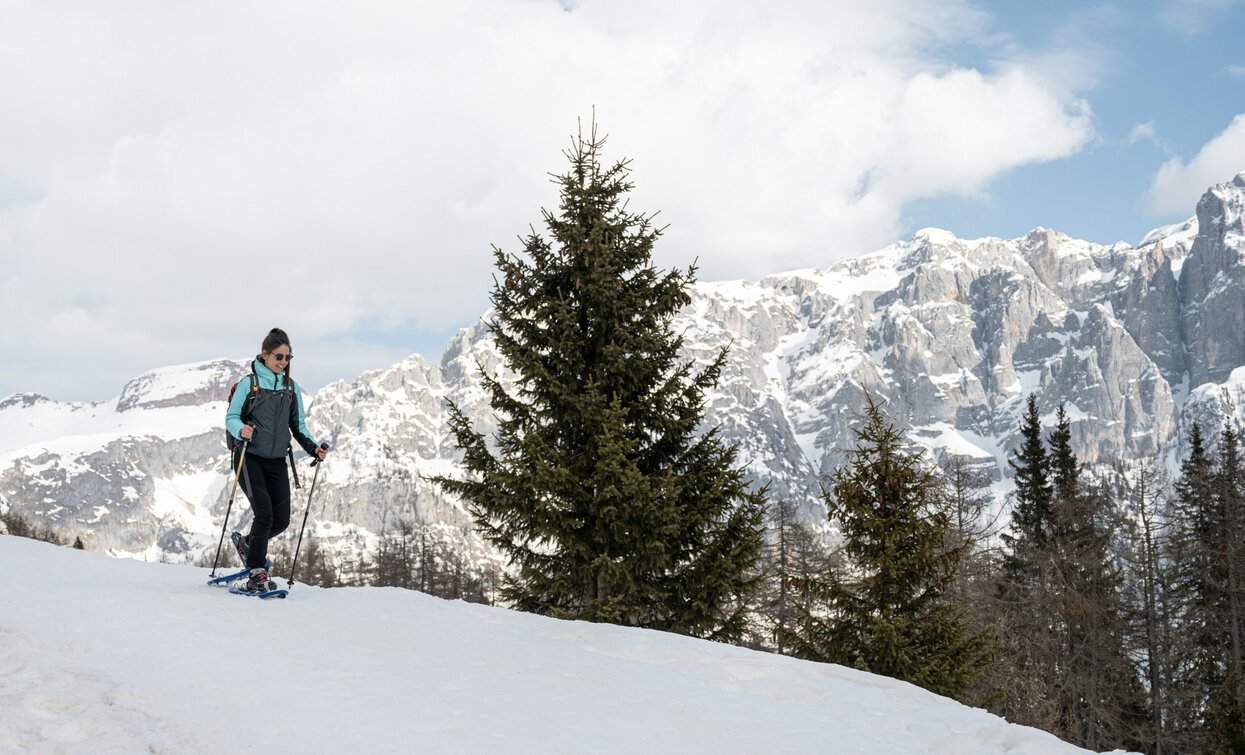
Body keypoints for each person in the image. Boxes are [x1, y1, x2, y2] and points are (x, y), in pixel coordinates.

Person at [225, 328, 327, 593]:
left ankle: (249, 544)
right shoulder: (250, 384)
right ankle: (256, 572)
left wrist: (314, 448)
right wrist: (241, 430)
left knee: (280, 520)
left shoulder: (289, 388)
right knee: (265, 513)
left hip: (277, 460)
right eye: (279, 357)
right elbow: (232, 417)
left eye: (287, 357)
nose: (283, 362)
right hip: (248, 457)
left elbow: (298, 425)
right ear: (265, 355)